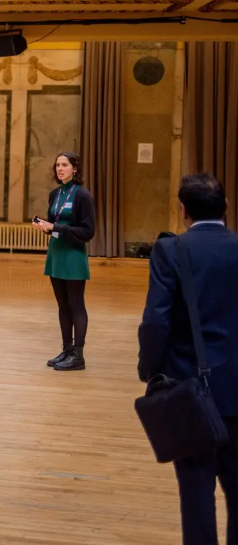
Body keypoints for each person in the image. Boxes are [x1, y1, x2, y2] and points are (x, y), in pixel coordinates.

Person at [138, 173, 238, 544]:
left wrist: (148, 369)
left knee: (196, 493)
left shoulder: (171, 250)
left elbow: (156, 322)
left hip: (191, 387)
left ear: (182, 211)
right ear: (225, 207)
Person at [34, 151, 96, 371]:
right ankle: (67, 349)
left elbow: (88, 231)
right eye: (57, 165)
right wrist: (46, 228)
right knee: (62, 305)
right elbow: (55, 226)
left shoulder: (82, 195)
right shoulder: (55, 194)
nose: (60, 169)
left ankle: (78, 355)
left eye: (65, 165)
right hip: (56, 255)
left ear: (75, 169)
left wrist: (56, 228)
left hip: (73, 256)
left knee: (76, 304)